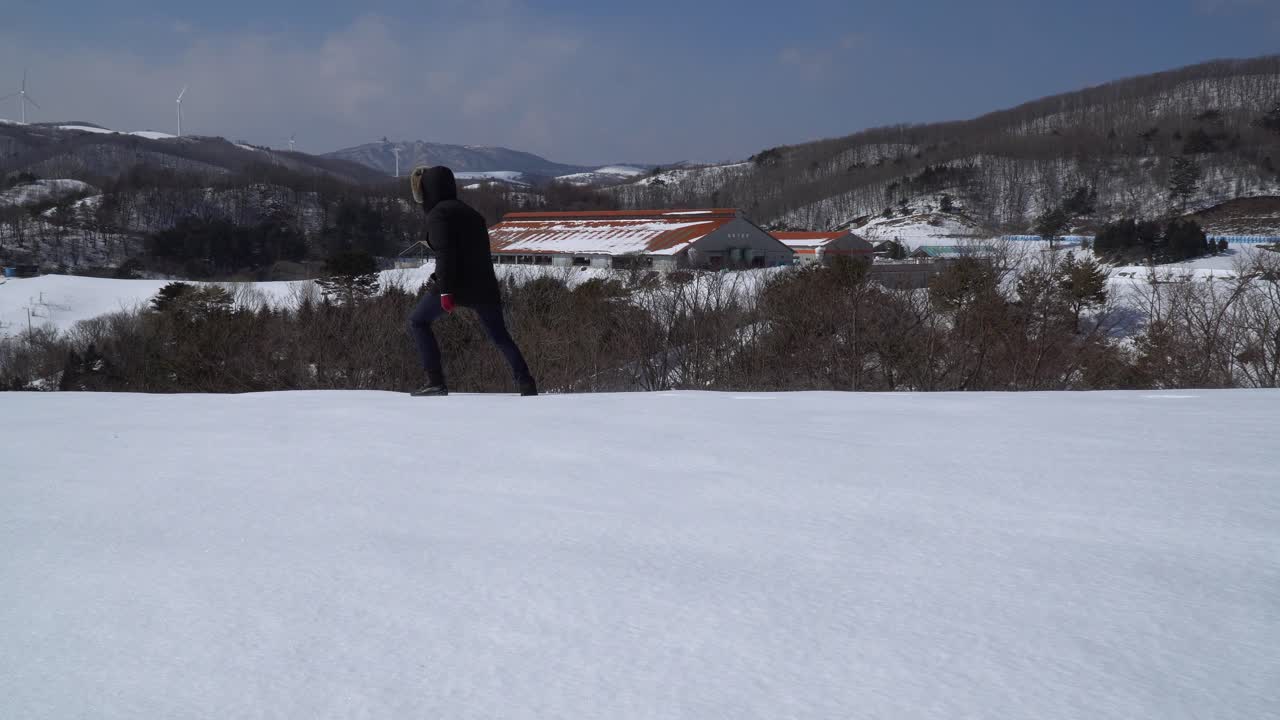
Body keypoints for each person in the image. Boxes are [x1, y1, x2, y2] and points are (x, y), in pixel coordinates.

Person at [407, 165, 537, 397]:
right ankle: (526, 383)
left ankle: (435, 382)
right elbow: (475, 254)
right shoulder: (472, 214)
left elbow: (445, 253)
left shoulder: (438, 214)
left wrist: (445, 290)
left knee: (418, 322)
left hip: (455, 284)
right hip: (484, 286)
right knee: (500, 335)